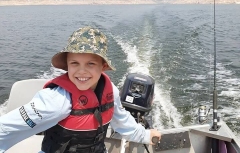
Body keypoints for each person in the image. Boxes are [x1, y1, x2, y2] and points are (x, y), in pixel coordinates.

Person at [0, 26, 161, 153]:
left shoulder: (110, 90)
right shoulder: (56, 101)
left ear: (103, 66)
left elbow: (121, 121)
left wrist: (145, 135)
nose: (81, 71)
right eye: (74, 63)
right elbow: (7, 127)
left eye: (90, 64)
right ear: (67, 65)